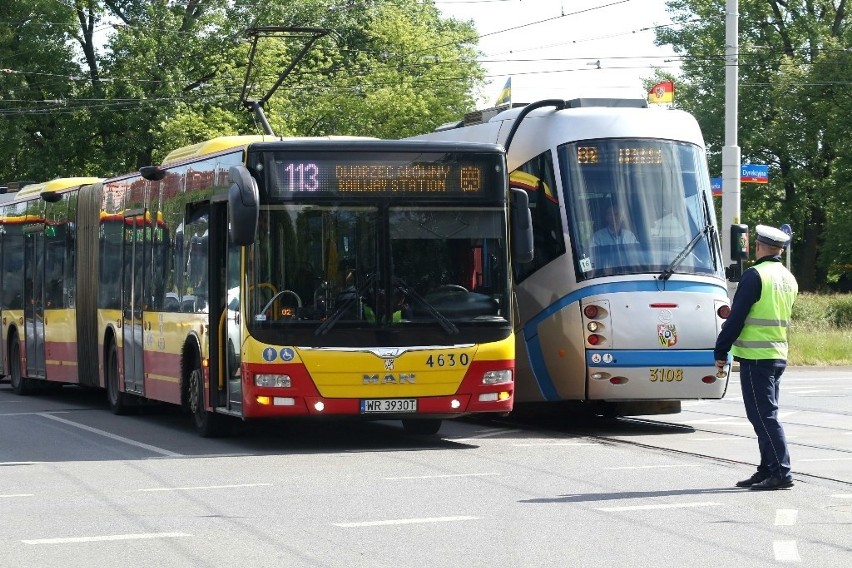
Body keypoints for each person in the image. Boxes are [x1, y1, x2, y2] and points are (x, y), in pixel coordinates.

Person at [714, 224, 798, 491]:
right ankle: (766, 469)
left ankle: (782, 473)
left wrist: (720, 349)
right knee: (765, 415)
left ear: (759, 247)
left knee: (764, 417)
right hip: (776, 354)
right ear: (780, 250)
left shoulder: (755, 275)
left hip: (755, 356)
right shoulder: (788, 278)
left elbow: (736, 317)